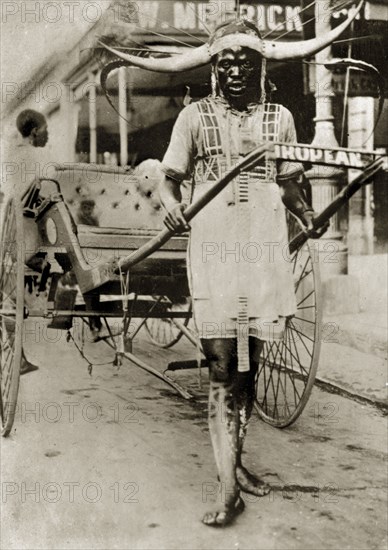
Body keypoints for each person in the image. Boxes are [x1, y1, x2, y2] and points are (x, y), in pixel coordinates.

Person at [159, 20, 322, 527]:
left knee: (251, 365)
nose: (234, 71)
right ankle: (228, 489)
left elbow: (290, 185)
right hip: (214, 248)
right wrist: (169, 206)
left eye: (244, 63)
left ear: (261, 68)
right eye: (224, 63)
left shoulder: (281, 118)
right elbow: (169, 181)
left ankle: (236, 461)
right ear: (213, 68)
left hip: (264, 250)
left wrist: (308, 215)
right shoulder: (193, 116)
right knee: (223, 364)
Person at [7, 110, 49, 374]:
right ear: (34, 132)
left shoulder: (14, 154)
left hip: (15, 228)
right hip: (29, 228)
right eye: (46, 130)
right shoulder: (35, 157)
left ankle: (17, 354)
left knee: (11, 297)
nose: (48, 134)